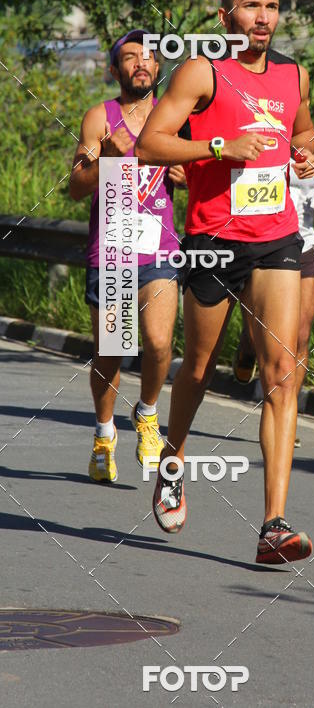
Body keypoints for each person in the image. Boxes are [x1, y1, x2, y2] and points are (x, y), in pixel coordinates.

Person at [135, 0, 314, 563]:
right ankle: (173, 456)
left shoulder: (294, 74)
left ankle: (273, 524)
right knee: (197, 368)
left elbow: (306, 134)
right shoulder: (202, 72)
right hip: (214, 240)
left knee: (282, 373)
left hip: (276, 237)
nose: (263, 16)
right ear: (225, 17)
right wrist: (219, 146)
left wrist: (308, 158)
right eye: (250, 6)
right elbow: (150, 144)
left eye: (272, 5)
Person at [69, 29, 186, 484]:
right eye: (130, 57)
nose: (141, 63)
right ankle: (103, 434)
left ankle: (148, 413)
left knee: (158, 344)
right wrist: (106, 161)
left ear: (159, 69)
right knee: (113, 350)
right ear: (115, 69)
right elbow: (77, 187)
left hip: (159, 247)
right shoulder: (101, 117)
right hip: (113, 250)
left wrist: (185, 174)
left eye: (149, 57)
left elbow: (199, 181)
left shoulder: (172, 117)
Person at [232, 135, 314, 449]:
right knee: (263, 332)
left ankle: (285, 417)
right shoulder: (261, 139)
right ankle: (248, 343)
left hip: (303, 245)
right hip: (261, 245)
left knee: (300, 335)